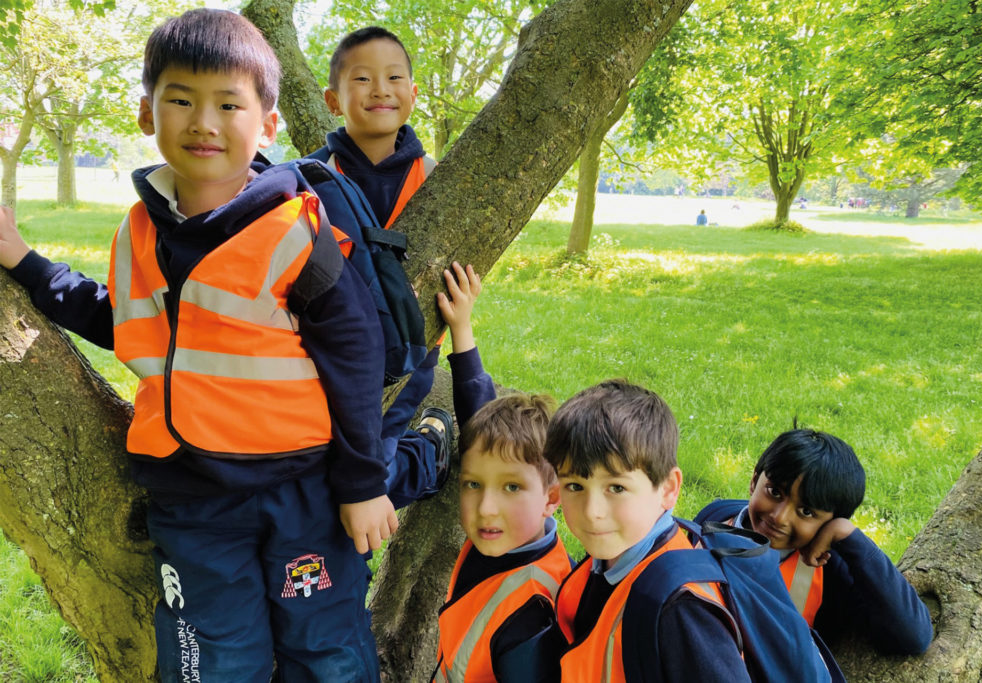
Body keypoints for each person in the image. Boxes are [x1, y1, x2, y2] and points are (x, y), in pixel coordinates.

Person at [0, 9, 405, 680]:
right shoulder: (141, 230)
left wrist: (362, 482)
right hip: (192, 496)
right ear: (145, 112)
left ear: (268, 123)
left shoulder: (292, 230)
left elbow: (355, 351)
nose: (204, 122)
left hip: (303, 489)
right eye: (181, 99)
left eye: (228, 103)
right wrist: (22, 260)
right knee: (212, 657)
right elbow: (120, 317)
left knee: (326, 647)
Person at [309, 25, 445, 508]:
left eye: (394, 78)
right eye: (363, 79)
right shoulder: (313, 177)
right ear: (333, 99)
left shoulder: (433, 177)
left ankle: (428, 451)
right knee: (325, 466)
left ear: (412, 94)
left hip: (411, 349)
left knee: (374, 468)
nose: (381, 89)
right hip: (330, 352)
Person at [545, 380, 750, 682]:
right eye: (575, 486)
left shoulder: (681, 611)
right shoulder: (611, 557)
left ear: (668, 489)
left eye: (616, 487)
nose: (592, 511)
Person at [433, 263, 570, 682]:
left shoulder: (533, 613)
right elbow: (477, 419)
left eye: (511, 487)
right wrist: (462, 327)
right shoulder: (511, 536)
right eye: (473, 484)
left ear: (551, 498)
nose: (486, 508)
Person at [697, 429, 933, 655]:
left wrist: (846, 533)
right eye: (775, 492)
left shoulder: (828, 570)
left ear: (831, 522)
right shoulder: (716, 517)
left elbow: (914, 635)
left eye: (806, 512)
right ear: (755, 480)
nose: (780, 517)